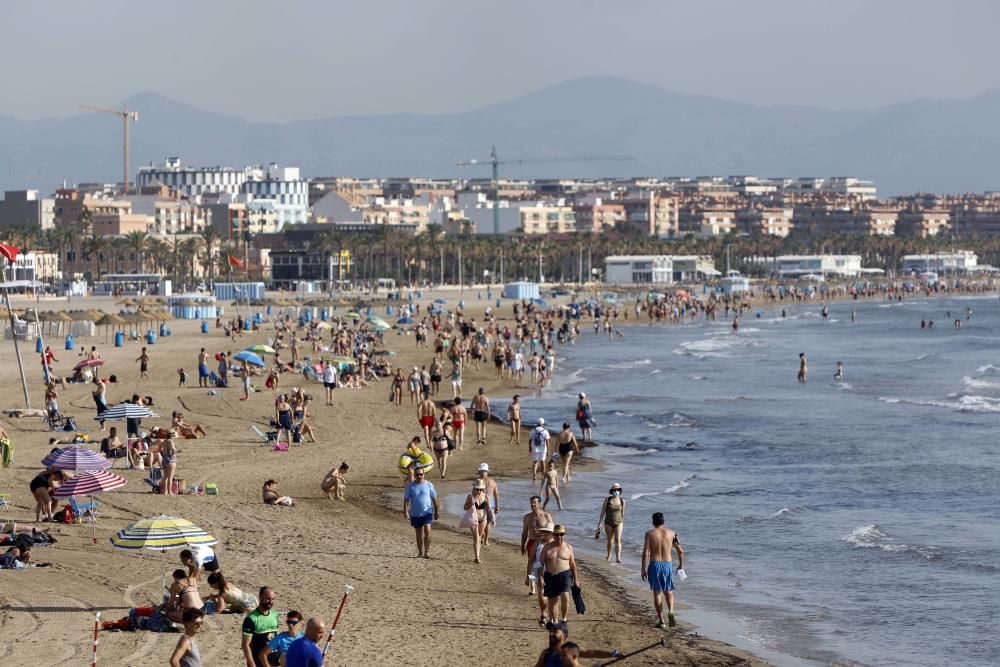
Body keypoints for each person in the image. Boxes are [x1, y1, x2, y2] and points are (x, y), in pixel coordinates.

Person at [641, 511, 684, 628]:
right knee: (668, 590)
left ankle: (661, 621)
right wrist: (681, 565)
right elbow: (680, 551)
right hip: (667, 564)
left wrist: (643, 568)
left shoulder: (649, 534)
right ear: (663, 521)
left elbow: (646, 553)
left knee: (657, 593)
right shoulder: (672, 533)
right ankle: (671, 611)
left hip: (654, 564)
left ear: (653, 522)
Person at [532, 621, 616, 667]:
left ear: (564, 636)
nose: (551, 634)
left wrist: (613, 654)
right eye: (550, 631)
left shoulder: (571, 651)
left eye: (555, 631)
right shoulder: (546, 653)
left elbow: (593, 653)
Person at [540, 525, 578, 625]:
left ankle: (564, 619)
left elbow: (573, 564)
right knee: (553, 601)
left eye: (561, 534)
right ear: (553, 535)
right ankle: (555, 622)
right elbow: (541, 564)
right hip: (550, 575)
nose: (559, 537)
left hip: (565, 575)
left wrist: (576, 579)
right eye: (557, 535)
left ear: (564, 535)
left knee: (565, 595)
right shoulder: (546, 547)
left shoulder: (568, 547)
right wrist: (541, 577)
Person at [403, 466, 440, 559]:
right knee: (418, 533)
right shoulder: (411, 486)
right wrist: (405, 512)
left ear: (424, 474)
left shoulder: (429, 485)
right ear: (415, 475)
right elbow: (406, 500)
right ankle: (420, 553)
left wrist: (436, 511)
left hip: (427, 512)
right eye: (417, 474)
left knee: (427, 531)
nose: (419, 476)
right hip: (415, 513)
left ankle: (426, 553)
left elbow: (434, 499)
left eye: (421, 474)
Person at [521, 495, 555, 592]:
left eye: (534, 503)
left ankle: (543, 581)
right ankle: (532, 586)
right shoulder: (527, 517)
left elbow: (552, 530)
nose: (532, 505)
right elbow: (524, 532)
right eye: (531, 503)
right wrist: (522, 545)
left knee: (542, 564)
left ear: (539, 503)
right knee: (532, 565)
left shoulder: (546, 515)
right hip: (531, 542)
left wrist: (553, 543)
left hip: (543, 543)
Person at [242, 587, 279, 667]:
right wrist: (252, 664)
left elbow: (276, 637)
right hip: (259, 663)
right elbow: (246, 645)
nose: (270, 602)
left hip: (275, 662)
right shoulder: (251, 619)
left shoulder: (274, 615)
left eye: (273, 599)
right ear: (260, 597)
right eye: (268, 599)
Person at [460, 480, 495, 563]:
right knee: (476, 537)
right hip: (473, 518)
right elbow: (465, 507)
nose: (479, 491)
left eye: (481, 489)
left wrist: (493, 519)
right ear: (474, 488)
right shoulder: (470, 496)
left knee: (479, 537)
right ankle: (477, 558)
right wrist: (471, 504)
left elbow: (489, 509)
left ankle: (480, 545)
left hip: (483, 519)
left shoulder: (486, 496)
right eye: (477, 489)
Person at [596, 483, 626, 563]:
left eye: (618, 490)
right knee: (610, 540)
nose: (616, 491)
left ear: (620, 491)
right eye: (614, 490)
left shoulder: (622, 501)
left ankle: (618, 558)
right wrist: (600, 523)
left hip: (619, 522)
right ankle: (609, 555)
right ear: (611, 491)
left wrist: (622, 522)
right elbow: (603, 512)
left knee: (618, 540)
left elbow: (622, 513)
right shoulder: (607, 500)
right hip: (608, 522)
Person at [477, 463, 500, 544]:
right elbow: (496, 494)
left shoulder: (478, 481)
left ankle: (482, 535)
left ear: (480, 471)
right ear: (487, 471)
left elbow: (474, 493)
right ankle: (486, 540)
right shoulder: (492, 481)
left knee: (481, 520)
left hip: (481, 501)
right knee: (488, 522)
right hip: (491, 502)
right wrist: (497, 506)